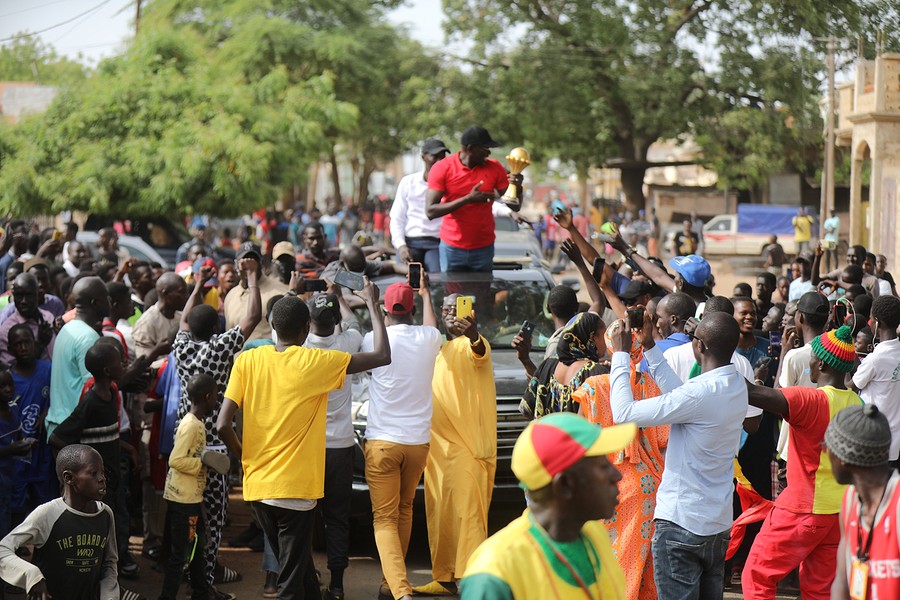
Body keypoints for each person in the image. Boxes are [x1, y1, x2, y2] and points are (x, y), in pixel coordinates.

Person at [217, 280, 390, 600]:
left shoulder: (248, 360)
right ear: (303, 331)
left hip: (258, 488)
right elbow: (381, 355)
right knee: (290, 585)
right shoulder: (315, 364)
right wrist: (373, 307)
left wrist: (243, 459)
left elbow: (222, 424)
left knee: (299, 569)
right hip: (295, 492)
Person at [608, 311, 748, 598]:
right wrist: (649, 347)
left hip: (681, 526)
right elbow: (683, 398)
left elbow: (623, 413)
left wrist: (621, 356)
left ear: (701, 346)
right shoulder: (735, 385)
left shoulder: (700, 394)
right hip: (716, 526)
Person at [741, 325, 862, 599]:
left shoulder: (808, 399)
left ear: (819, 363)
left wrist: (758, 379)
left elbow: (751, 393)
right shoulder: (857, 402)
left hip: (801, 510)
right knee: (820, 590)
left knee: (757, 575)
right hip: (838, 514)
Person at [458, 412, 632, 599]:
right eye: (603, 467)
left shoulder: (594, 534)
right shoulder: (494, 574)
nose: (617, 475)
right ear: (564, 484)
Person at [174, 258, 261, 590]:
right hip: (213, 450)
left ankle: (187, 570)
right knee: (213, 521)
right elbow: (252, 318)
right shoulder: (219, 348)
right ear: (215, 327)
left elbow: (184, 319)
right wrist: (252, 279)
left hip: (185, 446)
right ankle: (205, 583)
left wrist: (198, 285)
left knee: (189, 517)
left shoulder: (181, 347)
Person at [361, 281, 443, 600]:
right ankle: (389, 584)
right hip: (417, 443)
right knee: (404, 509)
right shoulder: (429, 338)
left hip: (382, 442)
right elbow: (431, 325)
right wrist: (425, 294)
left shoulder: (373, 338)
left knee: (384, 517)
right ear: (412, 310)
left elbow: (373, 333)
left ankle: (400, 591)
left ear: (385, 310)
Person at [573, 327, 667, 600]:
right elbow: (663, 439)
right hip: (648, 486)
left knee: (609, 562)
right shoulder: (651, 385)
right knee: (641, 564)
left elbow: (579, 439)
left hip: (602, 483)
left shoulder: (593, 386)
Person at [414, 295, 495, 596]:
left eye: (456, 308)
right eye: (445, 309)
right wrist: (423, 291)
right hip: (438, 450)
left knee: (469, 517)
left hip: (468, 449)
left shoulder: (472, 343)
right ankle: (445, 576)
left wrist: (473, 332)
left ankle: (470, 580)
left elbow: (479, 351)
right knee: (441, 515)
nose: (450, 313)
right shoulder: (439, 348)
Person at [299, 289, 365, 600]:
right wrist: (337, 294)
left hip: (308, 447)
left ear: (307, 321)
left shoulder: (298, 348)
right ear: (335, 319)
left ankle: (307, 580)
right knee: (338, 517)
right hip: (340, 447)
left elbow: (281, 321)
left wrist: (297, 291)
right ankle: (337, 585)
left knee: (303, 516)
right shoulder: (347, 345)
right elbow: (355, 325)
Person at [0, 444, 119, 600]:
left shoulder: (105, 514)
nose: (102, 479)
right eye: (93, 473)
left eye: (103, 472)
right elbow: (3, 549)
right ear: (69, 478)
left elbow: (110, 562)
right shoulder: (48, 514)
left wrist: (109, 594)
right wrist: (32, 576)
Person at [160, 373, 228, 600]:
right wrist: (204, 461)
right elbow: (176, 460)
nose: (217, 399)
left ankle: (201, 592)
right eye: (216, 395)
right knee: (181, 555)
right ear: (208, 397)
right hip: (183, 501)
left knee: (197, 547)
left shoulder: (195, 422)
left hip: (191, 499)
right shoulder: (191, 426)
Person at [827, 404, 900, 599]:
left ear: (843, 458)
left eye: (828, 448)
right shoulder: (851, 501)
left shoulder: (897, 506)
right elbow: (841, 583)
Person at [425, 126, 522, 272]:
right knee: (454, 295)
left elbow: (515, 206)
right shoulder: (442, 168)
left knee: (482, 294)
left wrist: (518, 187)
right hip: (452, 248)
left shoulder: (495, 167)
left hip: (484, 247)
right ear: (470, 149)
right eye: (485, 148)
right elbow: (430, 211)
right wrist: (468, 199)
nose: (488, 152)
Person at [46, 276, 110, 438]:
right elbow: (95, 389)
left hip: (60, 424)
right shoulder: (87, 337)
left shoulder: (69, 329)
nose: (109, 301)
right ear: (95, 303)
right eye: (105, 297)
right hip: (73, 430)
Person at [8, 325, 56, 523]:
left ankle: (43, 551)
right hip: (17, 458)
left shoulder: (48, 369)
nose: (24, 348)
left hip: (43, 453)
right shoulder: (7, 379)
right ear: (10, 349)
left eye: (27, 342)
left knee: (46, 507)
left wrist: (48, 411)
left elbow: (60, 398)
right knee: (16, 509)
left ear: (34, 343)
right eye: (18, 344)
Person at [851, 295, 900, 467]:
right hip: (895, 442)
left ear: (877, 323)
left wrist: (847, 352)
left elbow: (851, 386)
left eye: (871, 318)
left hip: (875, 441)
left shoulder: (875, 359)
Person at [390, 138, 451, 272]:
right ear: (423, 157)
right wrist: (401, 246)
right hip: (411, 243)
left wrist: (505, 209)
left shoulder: (450, 184)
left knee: (437, 282)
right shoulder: (408, 182)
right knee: (406, 283)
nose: (440, 161)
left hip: (437, 243)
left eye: (443, 157)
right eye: (434, 156)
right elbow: (397, 218)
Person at [223, 242, 287, 342]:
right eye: (244, 261)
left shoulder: (280, 292)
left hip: (266, 356)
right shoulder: (231, 295)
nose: (248, 265)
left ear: (260, 263)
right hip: (239, 357)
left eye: (253, 261)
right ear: (236, 265)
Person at [0, 272, 55, 367]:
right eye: (19, 295)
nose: (24, 301)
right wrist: (40, 345)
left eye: (29, 295)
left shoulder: (48, 317)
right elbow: (14, 371)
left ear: (38, 295)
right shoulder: (7, 331)